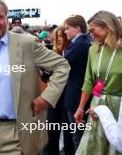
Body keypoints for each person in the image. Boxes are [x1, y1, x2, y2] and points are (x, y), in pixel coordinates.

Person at [0, 0, 70, 155]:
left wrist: (47, 97)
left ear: (7, 19)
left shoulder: (27, 44)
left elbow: (62, 66)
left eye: (0, 17)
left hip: (19, 131)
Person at [74, 11, 122, 155]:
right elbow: (90, 81)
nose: (91, 35)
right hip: (97, 104)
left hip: (119, 108)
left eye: (93, 30)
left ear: (107, 27)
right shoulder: (93, 50)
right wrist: (81, 108)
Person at [63, 14, 92, 151]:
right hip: (82, 95)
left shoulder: (79, 44)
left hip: (76, 97)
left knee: (78, 138)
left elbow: (61, 65)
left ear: (77, 28)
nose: (65, 31)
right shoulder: (85, 42)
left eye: (67, 28)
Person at [43, 26, 74, 155]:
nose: (60, 39)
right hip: (54, 97)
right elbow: (48, 76)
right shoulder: (53, 53)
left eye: (62, 36)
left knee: (68, 134)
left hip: (68, 98)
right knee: (51, 131)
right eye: (57, 37)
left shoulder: (74, 52)